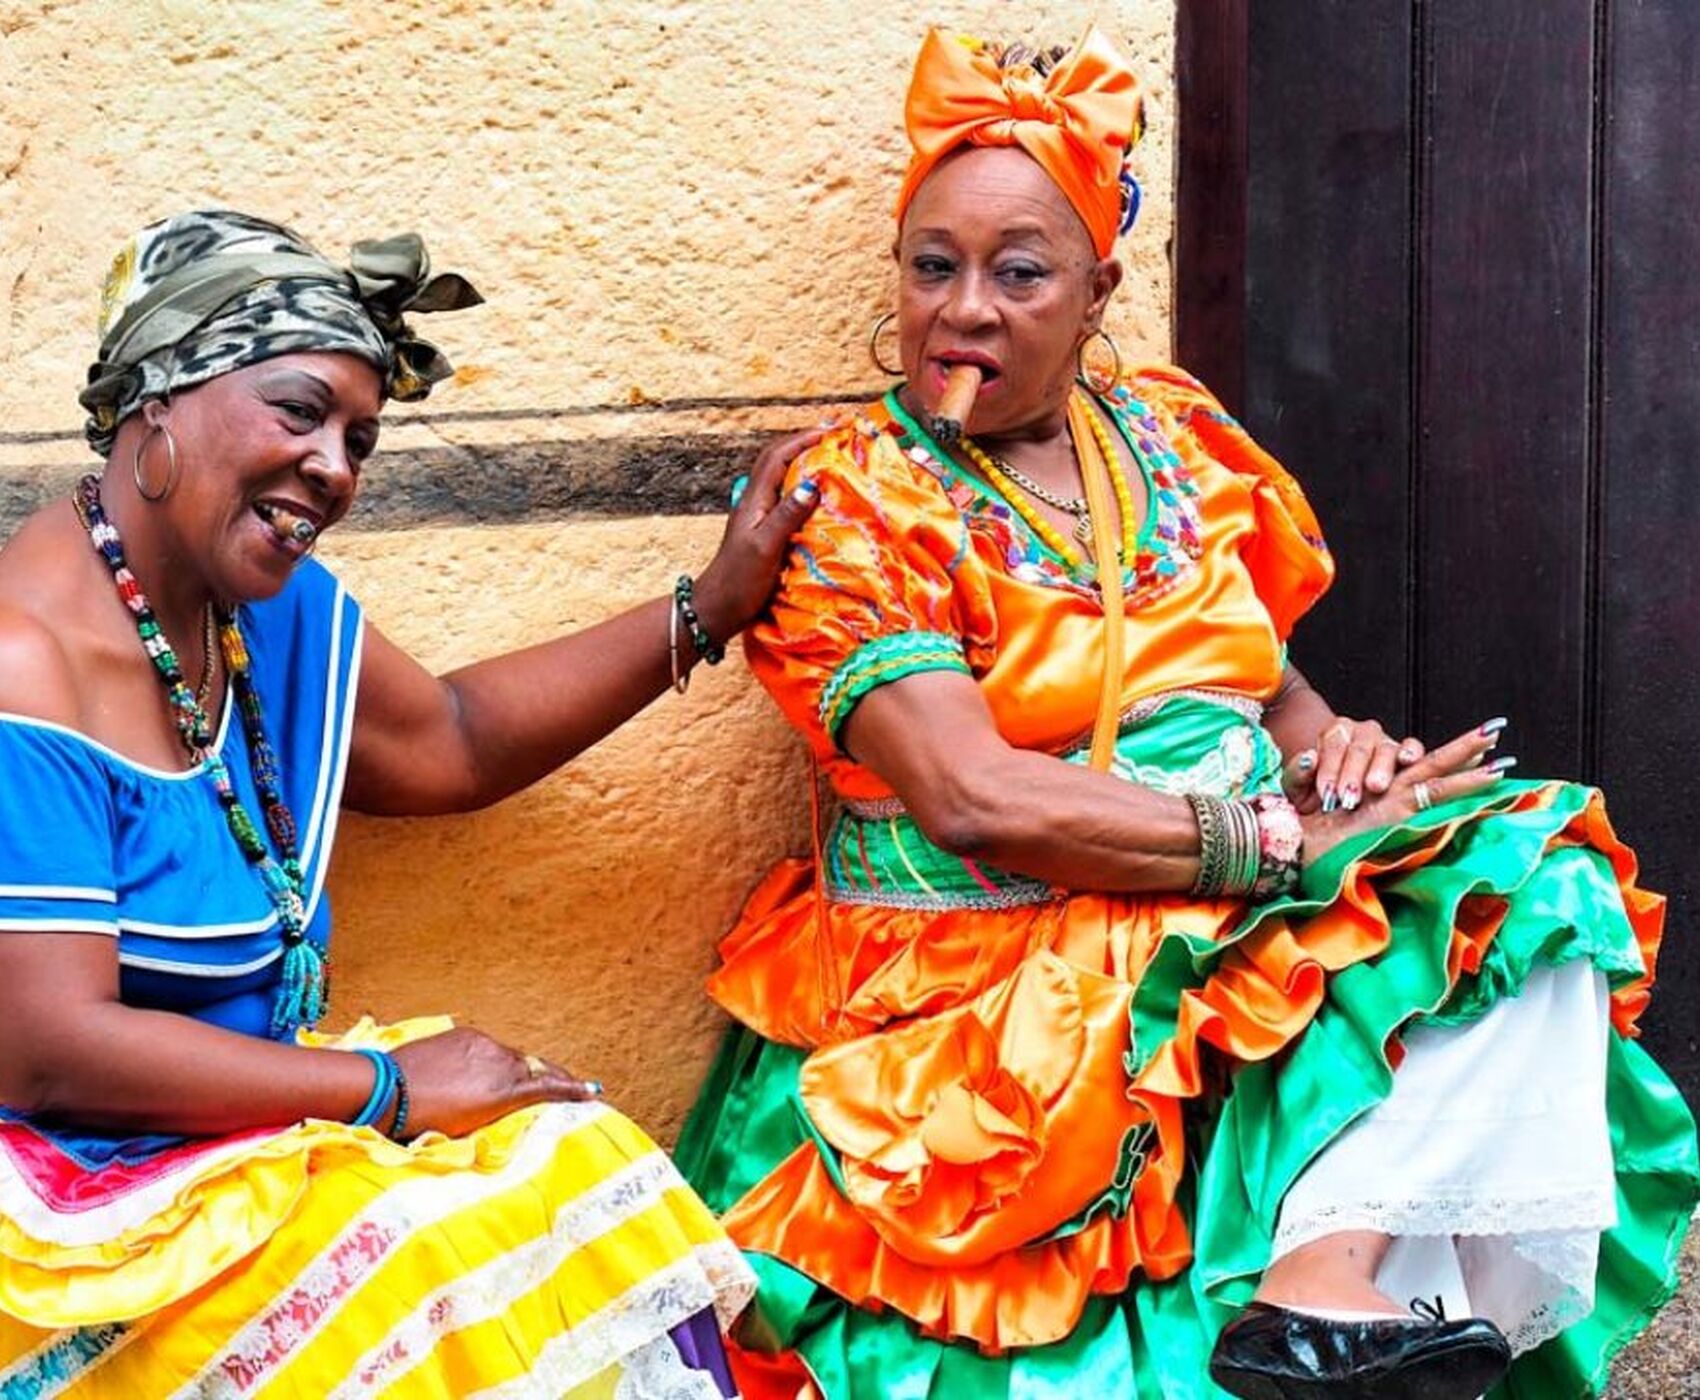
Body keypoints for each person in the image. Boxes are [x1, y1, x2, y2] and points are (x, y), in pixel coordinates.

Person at [674, 27, 1700, 1399]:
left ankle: (1321, 1287)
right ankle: (1309, 1310)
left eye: (1018, 272)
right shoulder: (857, 502)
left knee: (1531, 870)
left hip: (1207, 898)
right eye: (932, 267)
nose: (964, 310)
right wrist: (1279, 843)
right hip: (990, 975)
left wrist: (1334, 760)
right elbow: (974, 798)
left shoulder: (1172, 437)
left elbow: (1262, 686)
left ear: (1097, 291)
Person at [0, 210, 823, 1396]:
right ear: (158, 392)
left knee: (570, 1153)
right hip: (66, 1210)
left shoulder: (247, 606)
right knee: (424, 1257)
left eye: (358, 438)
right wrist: (389, 1088)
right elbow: (46, 1048)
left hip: (232, 1150)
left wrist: (711, 605)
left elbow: (451, 738)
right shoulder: (25, 660)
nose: (334, 469)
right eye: (298, 412)